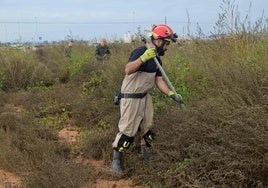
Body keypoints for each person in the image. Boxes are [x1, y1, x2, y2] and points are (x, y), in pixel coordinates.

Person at [111, 24, 181, 176]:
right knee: (128, 131)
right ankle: (116, 161)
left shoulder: (157, 60)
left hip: (145, 97)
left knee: (147, 128)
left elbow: (159, 81)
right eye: (167, 43)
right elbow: (128, 69)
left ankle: (147, 159)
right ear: (158, 40)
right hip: (131, 98)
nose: (167, 47)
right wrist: (143, 59)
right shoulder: (140, 51)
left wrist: (171, 94)